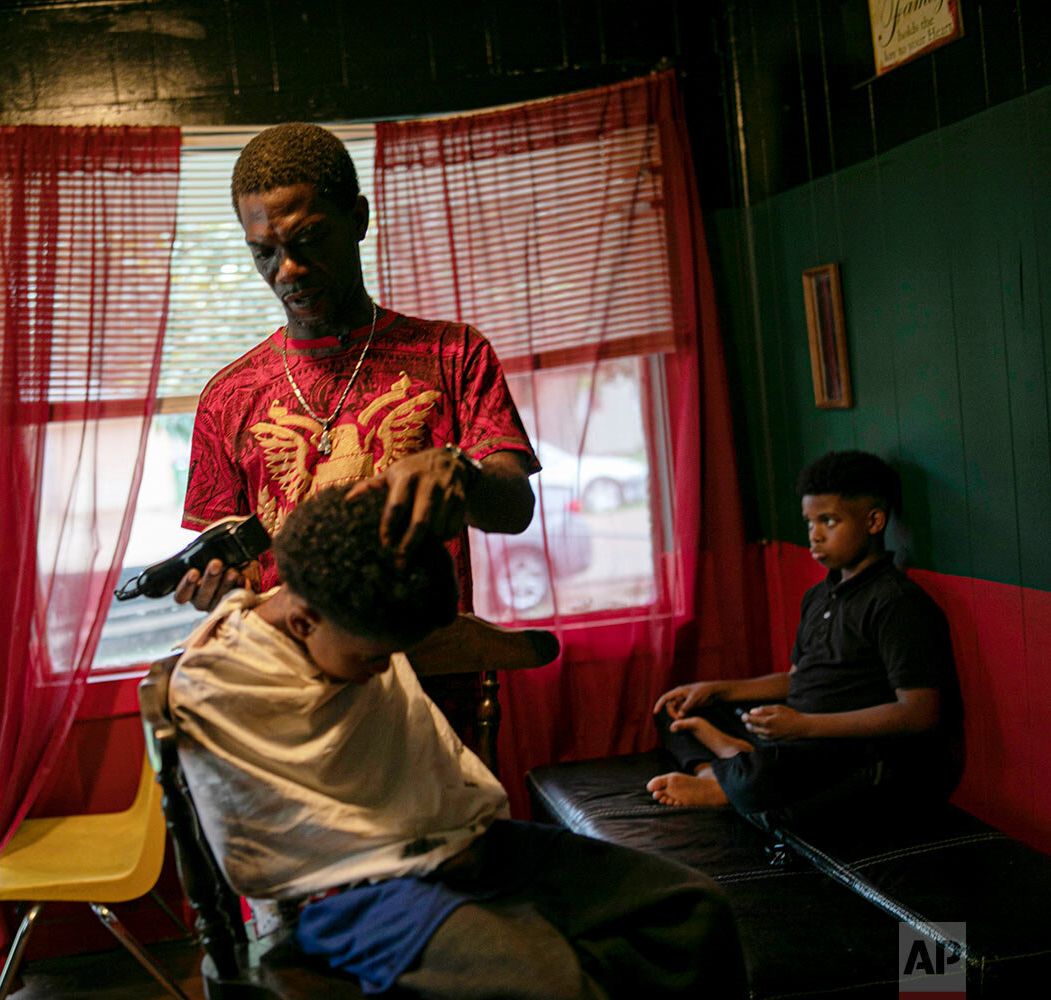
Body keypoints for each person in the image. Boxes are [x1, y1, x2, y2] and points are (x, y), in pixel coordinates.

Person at [170, 486, 746, 999]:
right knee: (553, 987)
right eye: (373, 658)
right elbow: (270, 843)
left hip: (462, 843)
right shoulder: (220, 684)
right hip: (350, 894)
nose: (383, 671)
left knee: (693, 911)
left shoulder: (356, 620)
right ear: (302, 622)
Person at [177, 122, 538, 612]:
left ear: (359, 219)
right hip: (294, 678)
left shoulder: (453, 355)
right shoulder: (228, 398)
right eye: (264, 251)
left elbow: (515, 508)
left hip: (432, 670)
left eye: (309, 239)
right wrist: (217, 587)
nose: (287, 270)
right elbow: (225, 564)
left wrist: (463, 476)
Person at [646, 450, 960, 826]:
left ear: (874, 521)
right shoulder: (818, 596)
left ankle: (729, 777)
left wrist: (803, 726)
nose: (815, 534)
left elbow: (919, 713)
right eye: (810, 521)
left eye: (829, 521)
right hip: (792, 734)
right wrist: (715, 689)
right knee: (677, 709)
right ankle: (721, 770)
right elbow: (796, 680)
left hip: (848, 747)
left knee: (779, 771)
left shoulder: (895, 603)